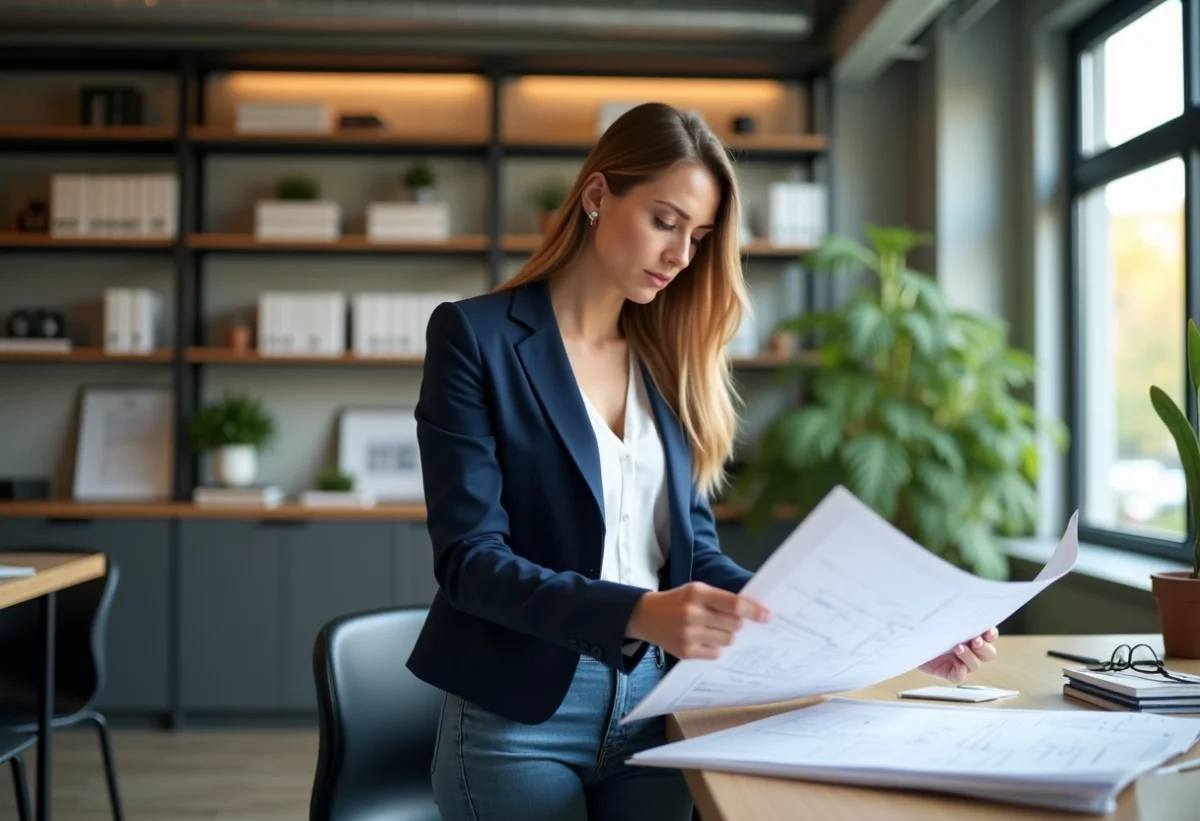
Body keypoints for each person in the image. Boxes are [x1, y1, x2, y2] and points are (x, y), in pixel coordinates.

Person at [405, 101, 999, 821]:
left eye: (700, 235)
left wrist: (893, 638)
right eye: (665, 220)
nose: (681, 256)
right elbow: (470, 561)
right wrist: (640, 612)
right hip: (519, 716)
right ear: (597, 195)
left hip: (662, 708)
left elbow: (697, 561)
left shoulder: (669, 358)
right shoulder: (476, 337)